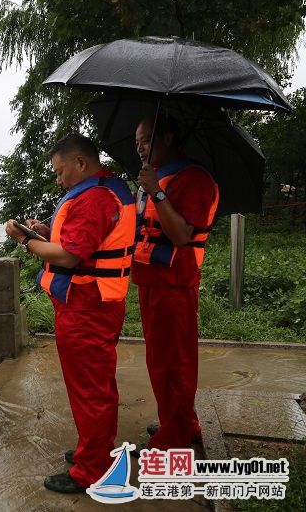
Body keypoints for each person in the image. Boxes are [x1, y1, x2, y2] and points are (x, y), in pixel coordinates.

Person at [6, 133, 136, 493]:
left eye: (62, 172)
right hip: (95, 301)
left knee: (89, 390)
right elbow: (84, 243)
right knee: (95, 385)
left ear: (81, 163)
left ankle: (92, 469)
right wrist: (45, 232)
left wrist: (24, 240)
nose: (60, 180)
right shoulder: (107, 190)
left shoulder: (94, 198)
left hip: (86, 305)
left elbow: (70, 257)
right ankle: (94, 450)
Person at [132, 116, 219, 453]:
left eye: (146, 139)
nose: (139, 147)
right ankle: (181, 422)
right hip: (152, 280)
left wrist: (156, 190)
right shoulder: (160, 176)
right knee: (161, 359)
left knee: (174, 362)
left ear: (167, 138)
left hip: (174, 284)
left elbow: (181, 234)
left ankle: (174, 438)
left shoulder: (192, 178)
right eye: (137, 140)